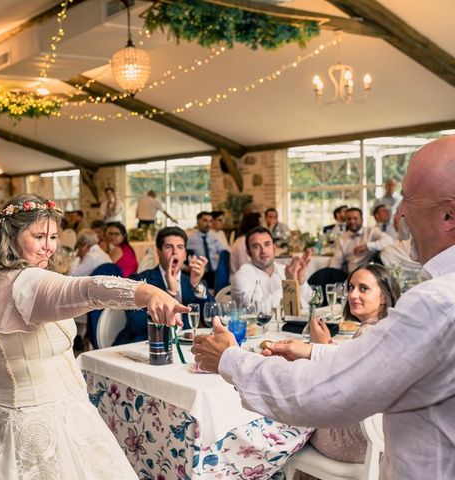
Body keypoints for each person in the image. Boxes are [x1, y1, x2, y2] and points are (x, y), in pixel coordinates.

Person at [192, 136, 455, 479]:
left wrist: (231, 359)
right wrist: (311, 351)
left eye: (409, 198)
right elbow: (382, 364)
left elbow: (328, 391)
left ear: (449, 215)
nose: (400, 212)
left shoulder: (436, 304)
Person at [0, 195, 188, 479]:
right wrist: (148, 293)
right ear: (11, 236)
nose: (49, 246)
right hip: (48, 426)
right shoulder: (28, 281)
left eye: (53, 236)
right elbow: (87, 290)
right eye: (39, 236)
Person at [302, 264, 401, 462]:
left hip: (352, 440)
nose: (352, 295)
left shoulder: (368, 333)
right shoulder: (388, 327)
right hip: (384, 436)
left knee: (288, 415)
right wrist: (328, 344)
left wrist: (319, 346)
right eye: (350, 287)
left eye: (363, 288)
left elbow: (341, 387)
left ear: (383, 296)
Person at [115, 226, 212, 345]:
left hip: (183, 346)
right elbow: (136, 324)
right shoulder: (139, 280)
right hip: (146, 346)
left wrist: (196, 284)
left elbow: (213, 317)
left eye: (180, 247)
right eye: (168, 247)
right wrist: (170, 292)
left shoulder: (190, 281)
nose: (175, 252)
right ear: (159, 252)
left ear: (185, 254)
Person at [230, 227, 312, 309]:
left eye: (267, 244)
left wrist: (301, 282)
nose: (263, 251)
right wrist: (288, 284)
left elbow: (310, 303)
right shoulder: (241, 277)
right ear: (248, 252)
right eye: (256, 247)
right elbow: (257, 311)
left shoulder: (285, 270)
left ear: (274, 247)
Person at [329, 207, 394, 273]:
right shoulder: (342, 238)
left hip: (368, 273)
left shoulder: (372, 231)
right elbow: (336, 261)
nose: (352, 221)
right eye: (349, 219)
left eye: (355, 218)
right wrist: (330, 273)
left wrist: (367, 246)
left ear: (362, 220)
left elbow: (389, 241)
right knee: (325, 273)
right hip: (349, 275)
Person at [186, 211, 225, 289]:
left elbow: (223, 252)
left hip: (215, 273)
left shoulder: (214, 237)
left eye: (210, 221)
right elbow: (186, 256)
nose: (208, 224)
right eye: (205, 220)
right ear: (198, 222)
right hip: (200, 273)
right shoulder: (190, 238)